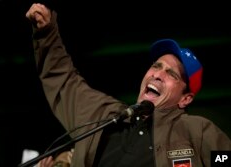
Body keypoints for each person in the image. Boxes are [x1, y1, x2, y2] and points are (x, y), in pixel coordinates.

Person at [25, 3, 231, 167]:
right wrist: (46, 33)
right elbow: (64, 80)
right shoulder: (102, 115)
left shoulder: (196, 131)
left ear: (186, 98)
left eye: (171, 74)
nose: (157, 74)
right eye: (156, 65)